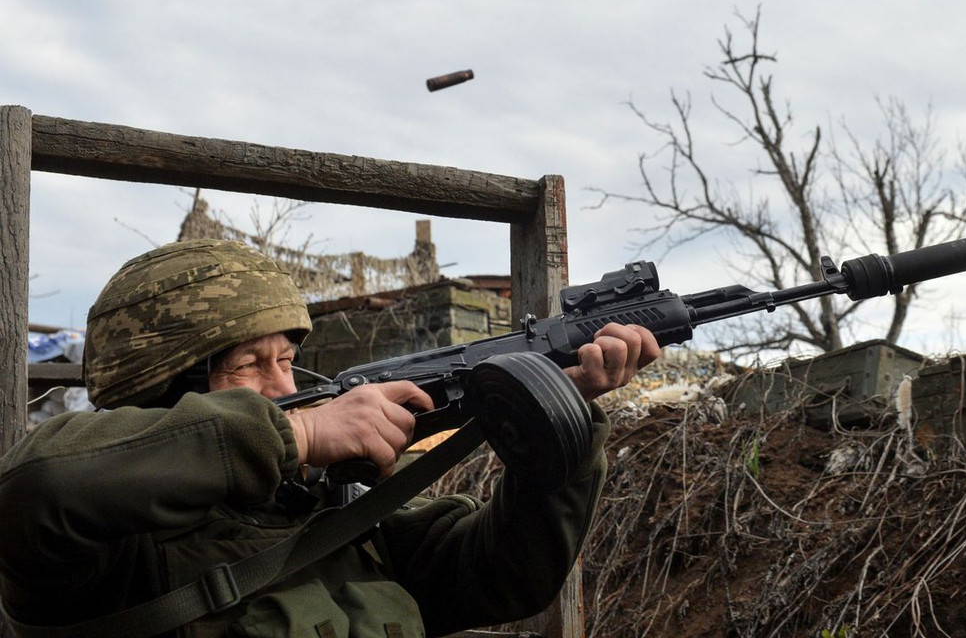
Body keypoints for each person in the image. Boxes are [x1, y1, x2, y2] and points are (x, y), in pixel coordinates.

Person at [0, 238, 659, 637]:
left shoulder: (328, 515)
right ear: (164, 389)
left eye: (286, 361)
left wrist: (558, 419)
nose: (285, 390)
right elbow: (39, 486)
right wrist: (299, 436)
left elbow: (505, 577)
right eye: (250, 365)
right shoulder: (102, 547)